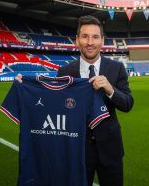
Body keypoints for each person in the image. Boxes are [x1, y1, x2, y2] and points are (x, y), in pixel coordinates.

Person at [57, 15, 134, 186]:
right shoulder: (64, 72)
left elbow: (128, 104)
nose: (90, 42)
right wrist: (25, 85)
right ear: (77, 41)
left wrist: (110, 89)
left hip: (110, 150)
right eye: (85, 36)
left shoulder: (116, 68)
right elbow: (58, 108)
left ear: (102, 41)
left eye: (95, 37)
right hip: (78, 151)